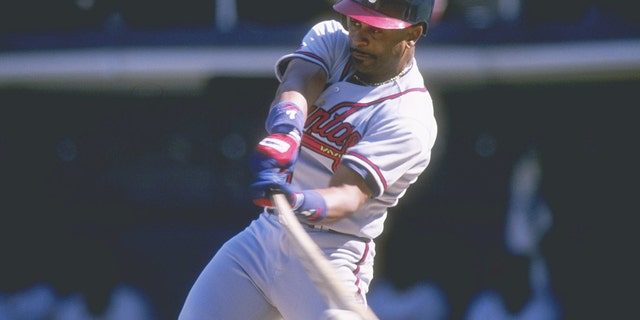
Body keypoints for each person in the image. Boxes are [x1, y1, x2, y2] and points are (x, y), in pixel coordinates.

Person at [178, 0, 438, 319]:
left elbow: (349, 194)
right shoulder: (332, 37)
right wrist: (285, 132)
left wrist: (299, 200)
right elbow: (299, 80)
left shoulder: (409, 118)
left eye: (375, 29)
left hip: (331, 253)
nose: (359, 37)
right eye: (355, 22)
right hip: (266, 237)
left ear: (412, 33)